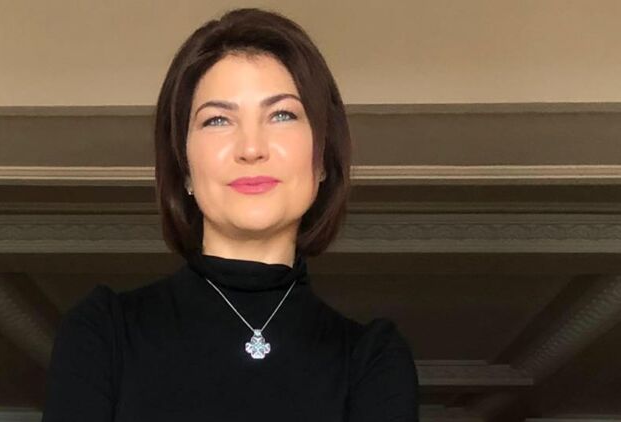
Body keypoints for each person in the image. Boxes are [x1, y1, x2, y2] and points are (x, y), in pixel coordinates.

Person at [42, 7, 418, 421]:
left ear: (323, 159)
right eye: (218, 120)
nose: (251, 148)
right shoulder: (105, 331)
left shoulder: (371, 360)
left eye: (282, 115)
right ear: (184, 167)